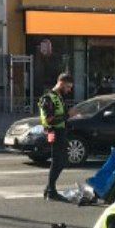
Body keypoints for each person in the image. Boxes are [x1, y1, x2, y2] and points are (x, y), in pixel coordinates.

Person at [40, 73, 74, 201]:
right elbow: (49, 120)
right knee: (57, 161)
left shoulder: (58, 97)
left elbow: (61, 115)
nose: (69, 90)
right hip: (54, 132)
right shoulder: (48, 98)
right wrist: (68, 115)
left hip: (61, 132)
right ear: (61, 83)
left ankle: (49, 188)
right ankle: (51, 191)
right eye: (68, 86)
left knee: (63, 161)